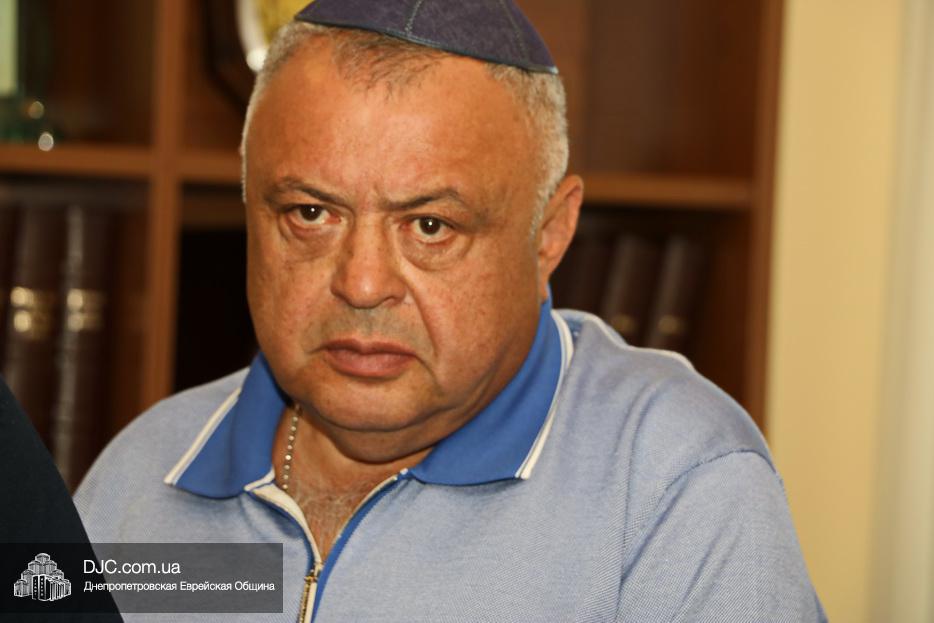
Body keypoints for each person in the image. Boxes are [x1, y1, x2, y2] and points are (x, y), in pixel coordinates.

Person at [76, 1, 826, 621]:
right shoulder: (142, 473)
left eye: (430, 225)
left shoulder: (671, 483)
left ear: (549, 234)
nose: (362, 284)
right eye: (310, 213)